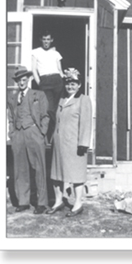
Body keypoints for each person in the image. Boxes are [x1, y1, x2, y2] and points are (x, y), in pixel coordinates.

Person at [46, 68, 92, 217]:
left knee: (76, 175)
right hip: (59, 144)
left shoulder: (83, 99)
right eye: (68, 84)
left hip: (74, 145)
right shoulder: (61, 99)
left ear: (79, 85)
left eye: (73, 84)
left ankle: (78, 203)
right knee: (57, 174)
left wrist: (83, 144)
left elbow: (86, 124)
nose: (70, 86)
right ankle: (58, 201)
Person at [7, 66, 50, 214]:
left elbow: (45, 116)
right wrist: (12, 133)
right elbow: (11, 118)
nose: (21, 82)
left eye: (24, 79)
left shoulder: (38, 94)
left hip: (33, 132)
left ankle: (42, 202)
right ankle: (23, 201)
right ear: (17, 82)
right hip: (18, 135)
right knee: (20, 169)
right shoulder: (12, 97)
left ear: (28, 79)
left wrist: (41, 133)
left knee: (39, 168)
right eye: (19, 80)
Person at [32, 30, 64, 142]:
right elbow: (34, 69)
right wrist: (40, 83)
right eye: (44, 39)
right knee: (49, 109)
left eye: (48, 39)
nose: (46, 42)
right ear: (41, 40)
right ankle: (50, 134)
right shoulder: (36, 52)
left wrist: (65, 77)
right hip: (45, 81)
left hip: (57, 80)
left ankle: (56, 135)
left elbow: (60, 69)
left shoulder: (56, 53)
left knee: (57, 108)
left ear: (51, 40)